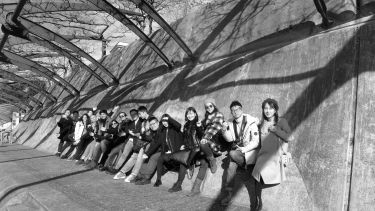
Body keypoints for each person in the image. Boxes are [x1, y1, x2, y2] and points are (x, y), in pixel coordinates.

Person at [252, 98, 292, 211]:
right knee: (256, 174)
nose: (268, 111)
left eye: (271, 108)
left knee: (259, 172)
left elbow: (290, 137)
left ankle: (257, 202)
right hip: (262, 154)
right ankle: (257, 201)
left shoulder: (281, 121)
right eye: (265, 108)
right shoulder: (261, 123)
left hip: (275, 155)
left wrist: (276, 130)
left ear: (275, 110)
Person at [220, 100, 260, 207]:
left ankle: (245, 167)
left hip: (249, 152)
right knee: (231, 165)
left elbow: (256, 142)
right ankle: (228, 194)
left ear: (241, 109)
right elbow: (230, 139)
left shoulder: (251, 121)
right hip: (239, 152)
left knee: (232, 154)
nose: (235, 112)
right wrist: (224, 130)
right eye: (233, 110)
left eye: (237, 109)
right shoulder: (231, 122)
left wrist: (244, 149)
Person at [187, 98, 225, 197]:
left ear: (214, 106)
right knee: (204, 163)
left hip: (215, 144)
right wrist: (200, 126)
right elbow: (202, 133)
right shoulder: (206, 118)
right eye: (206, 107)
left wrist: (206, 138)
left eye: (210, 106)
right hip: (207, 145)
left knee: (202, 144)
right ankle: (196, 189)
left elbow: (215, 128)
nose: (208, 108)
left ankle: (212, 160)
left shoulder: (219, 115)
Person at [143, 114, 183, 188]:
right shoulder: (163, 131)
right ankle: (158, 180)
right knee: (160, 159)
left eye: (166, 120)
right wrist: (147, 153)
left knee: (166, 163)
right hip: (168, 153)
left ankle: (170, 167)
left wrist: (169, 119)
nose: (165, 122)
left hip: (177, 152)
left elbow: (179, 125)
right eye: (163, 121)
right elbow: (157, 144)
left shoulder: (174, 128)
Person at [111, 109, 142, 173]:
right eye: (132, 114)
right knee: (124, 155)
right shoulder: (131, 122)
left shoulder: (141, 121)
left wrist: (132, 132)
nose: (133, 115)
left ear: (137, 114)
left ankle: (127, 171)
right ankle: (116, 168)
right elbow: (126, 129)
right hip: (130, 140)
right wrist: (129, 131)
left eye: (134, 114)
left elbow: (140, 131)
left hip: (137, 141)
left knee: (134, 157)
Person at [134, 116, 161, 185]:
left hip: (164, 150)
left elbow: (157, 144)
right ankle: (140, 175)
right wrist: (142, 133)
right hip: (157, 149)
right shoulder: (154, 132)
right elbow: (150, 139)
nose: (152, 126)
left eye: (154, 123)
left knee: (153, 157)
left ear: (158, 123)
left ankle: (146, 178)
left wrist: (148, 153)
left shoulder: (161, 131)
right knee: (146, 156)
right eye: (151, 124)